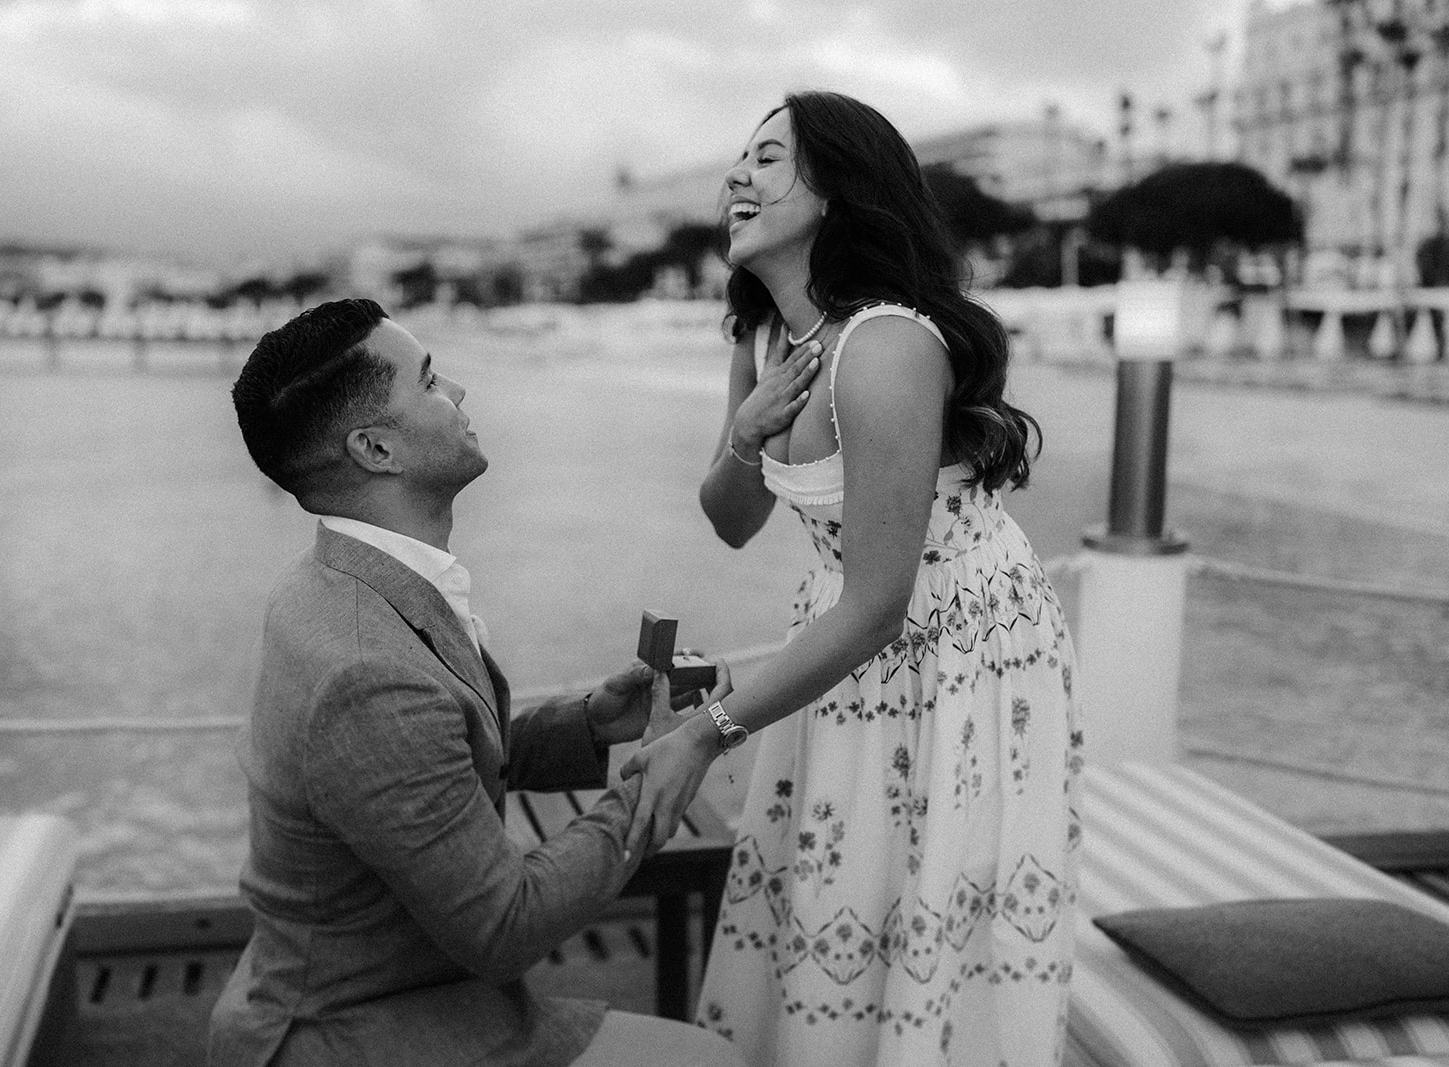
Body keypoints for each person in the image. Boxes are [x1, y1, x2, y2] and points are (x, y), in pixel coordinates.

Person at [621, 91, 1083, 1066]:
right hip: (838, 643)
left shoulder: (886, 348)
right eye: (738, 159)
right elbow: (731, 519)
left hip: (961, 651)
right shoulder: (759, 339)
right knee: (831, 896)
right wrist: (744, 438)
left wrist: (703, 735)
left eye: (769, 159)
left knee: (924, 921)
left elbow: (883, 603)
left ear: (836, 193)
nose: (737, 177)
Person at [208, 298, 747, 1067]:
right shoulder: (364, 668)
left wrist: (591, 726)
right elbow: (507, 926)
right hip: (349, 1027)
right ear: (375, 448)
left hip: (399, 989)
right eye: (429, 381)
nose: (459, 390)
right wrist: (661, 774)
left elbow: (431, 757)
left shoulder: (341, 578)